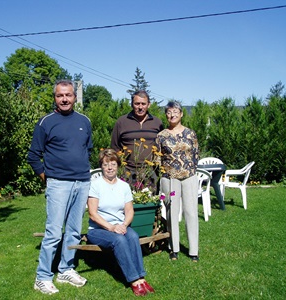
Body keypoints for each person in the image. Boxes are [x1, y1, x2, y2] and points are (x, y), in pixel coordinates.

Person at [27, 79, 92, 295]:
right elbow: (33, 156)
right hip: (58, 184)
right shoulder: (46, 122)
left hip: (82, 182)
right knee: (54, 232)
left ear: (74, 97)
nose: (64, 99)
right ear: (55, 97)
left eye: (68, 95)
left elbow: (86, 150)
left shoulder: (85, 121)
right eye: (60, 95)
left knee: (73, 231)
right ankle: (42, 276)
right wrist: (48, 177)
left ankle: (65, 269)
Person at [87, 148, 155, 297]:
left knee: (132, 236)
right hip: (99, 229)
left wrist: (124, 224)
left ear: (118, 165)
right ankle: (133, 280)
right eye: (106, 164)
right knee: (119, 240)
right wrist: (112, 227)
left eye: (112, 164)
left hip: (120, 225)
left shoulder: (124, 186)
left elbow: (130, 211)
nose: (110, 167)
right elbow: (93, 214)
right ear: (101, 166)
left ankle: (141, 277)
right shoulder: (95, 185)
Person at [156, 101, 200, 262]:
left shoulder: (190, 134)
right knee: (171, 212)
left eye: (175, 112)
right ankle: (173, 248)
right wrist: (165, 175)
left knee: (191, 212)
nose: (172, 115)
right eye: (169, 112)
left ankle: (194, 251)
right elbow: (157, 157)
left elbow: (196, 154)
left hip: (189, 177)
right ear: (166, 115)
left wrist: (191, 171)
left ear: (181, 114)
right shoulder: (161, 136)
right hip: (170, 178)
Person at [111, 90, 163, 172]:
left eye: (143, 104)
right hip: (127, 171)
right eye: (137, 104)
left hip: (150, 172)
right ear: (132, 104)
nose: (140, 107)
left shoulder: (157, 122)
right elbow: (114, 147)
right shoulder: (122, 122)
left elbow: (161, 147)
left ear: (148, 105)